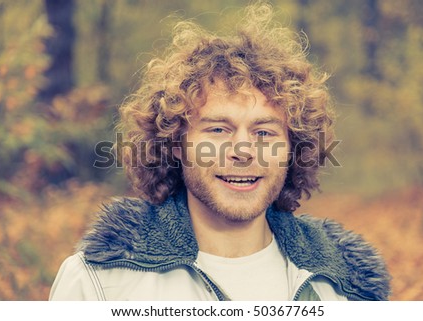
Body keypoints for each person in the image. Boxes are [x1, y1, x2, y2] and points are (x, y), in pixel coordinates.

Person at [49, 2, 391, 301]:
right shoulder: (97, 283)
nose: (243, 150)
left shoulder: (346, 285)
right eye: (217, 129)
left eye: (264, 132)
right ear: (175, 145)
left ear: (292, 150)